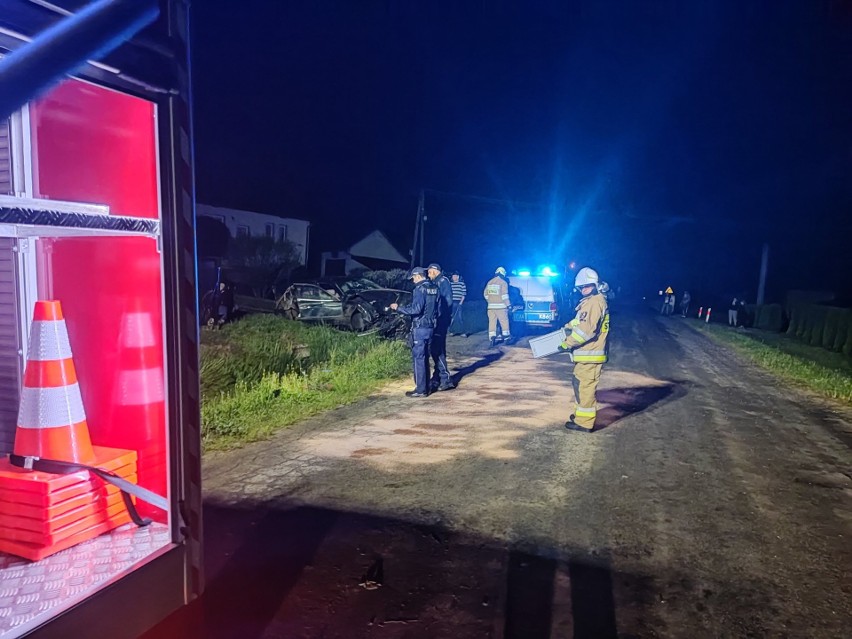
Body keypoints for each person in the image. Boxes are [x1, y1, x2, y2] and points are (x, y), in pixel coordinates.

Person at [560, 267, 610, 433]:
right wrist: (565, 329)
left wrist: (568, 343)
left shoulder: (594, 302)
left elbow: (586, 331)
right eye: (581, 287)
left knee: (585, 387)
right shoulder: (591, 301)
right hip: (586, 355)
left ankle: (585, 422)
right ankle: (581, 415)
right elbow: (579, 323)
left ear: (595, 285)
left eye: (586, 286)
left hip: (590, 354)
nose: (583, 290)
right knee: (580, 384)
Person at [390, 267, 438, 398]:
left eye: (413, 278)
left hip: (420, 328)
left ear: (418, 276)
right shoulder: (434, 287)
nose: (413, 280)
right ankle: (426, 387)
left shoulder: (419, 289)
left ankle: (421, 390)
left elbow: (416, 309)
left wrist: (398, 308)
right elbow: (437, 309)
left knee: (419, 359)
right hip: (431, 327)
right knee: (425, 358)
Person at [426, 263, 455, 391]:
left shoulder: (443, 281)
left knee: (437, 349)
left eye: (429, 271)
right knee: (435, 349)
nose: (428, 274)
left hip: (440, 322)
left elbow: (447, 302)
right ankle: (437, 377)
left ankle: (445, 379)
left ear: (435, 271)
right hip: (438, 321)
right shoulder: (437, 282)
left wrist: (440, 318)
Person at [484, 266, 512, 347]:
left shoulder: (490, 282)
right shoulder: (503, 282)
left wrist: (490, 301)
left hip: (490, 308)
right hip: (501, 307)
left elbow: (485, 294)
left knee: (492, 323)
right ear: (503, 274)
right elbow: (504, 296)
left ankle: (492, 338)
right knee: (504, 322)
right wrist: (509, 305)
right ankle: (506, 338)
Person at [449, 272, 467, 336]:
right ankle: (452, 331)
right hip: (452, 302)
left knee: (459, 317)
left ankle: (463, 332)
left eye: (455, 276)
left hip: (458, 302)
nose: (454, 277)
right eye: (453, 276)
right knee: (452, 317)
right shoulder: (450, 284)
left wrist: (461, 302)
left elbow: (464, 294)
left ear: (458, 277)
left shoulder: (462, 284)